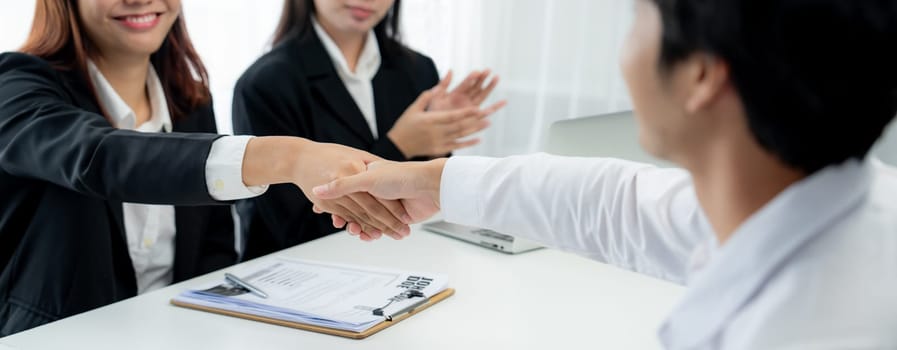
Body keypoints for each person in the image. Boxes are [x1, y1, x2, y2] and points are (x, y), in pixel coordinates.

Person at [312, 0, 897, 347]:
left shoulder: (807, 330)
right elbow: (613, 201)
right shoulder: (832, 199)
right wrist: (431, 181)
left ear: (701, 76)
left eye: (636, 20)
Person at [0, 0, 406, 336]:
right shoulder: (17, 84)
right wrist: (289, 157)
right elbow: (97, 157)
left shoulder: (189, 99)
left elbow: (214, 247)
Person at [232, 0, 505, 259]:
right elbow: (294, 230)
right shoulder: (266, 83)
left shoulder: (418, 69)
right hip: (298, 275)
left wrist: (438, 133)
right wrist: (400, 145)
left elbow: (427, 199)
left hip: (407, 261)